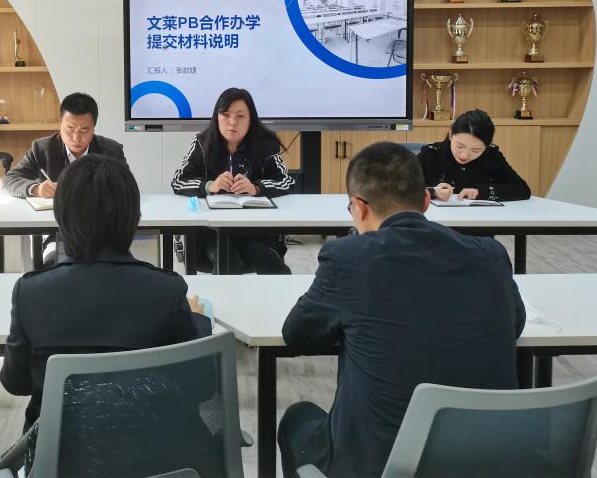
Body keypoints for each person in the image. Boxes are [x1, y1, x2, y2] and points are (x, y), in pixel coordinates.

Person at [278, 141, 525, 478]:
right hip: (490, 463)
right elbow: (515, 324)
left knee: (298, 418)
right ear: (425, 201)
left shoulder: (348, 258)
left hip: (385, 466)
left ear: (358, 207)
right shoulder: (489, 254)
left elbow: (298, 335)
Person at [0, 154, 214, 473]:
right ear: (134, 218)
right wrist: (198, 320)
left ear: (61, 215)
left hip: (60, 462)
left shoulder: (31, 292)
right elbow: (201, 386)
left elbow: (15, 383)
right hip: (156, 463)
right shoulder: (165, 291)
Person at [171, 87, 295, 274]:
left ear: (251, 119)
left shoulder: (266, 144)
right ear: (217, 117)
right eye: (225, 115)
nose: (232, 122)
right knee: (228, 261)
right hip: (211, 232)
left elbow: (286, 181)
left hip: (256, 232)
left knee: (270, 262)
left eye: (240, 116)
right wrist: (209, 186)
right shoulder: (201, 143)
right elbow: (179, 180)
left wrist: (256, 188)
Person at [1, 92, 128, 264]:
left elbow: (126, 189)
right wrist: (36, 189)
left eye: (84, 130)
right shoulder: (42, 149)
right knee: (54, 263)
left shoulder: (111, 151)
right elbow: (8, 180)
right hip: (56, 230)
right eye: (70, 129)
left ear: (94, 127)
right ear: (60, 124)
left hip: (100, 229)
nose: (76, 138)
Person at [418, 108, 531, 202]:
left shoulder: (492, 155)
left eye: (475, 150)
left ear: (486, 147)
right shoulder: (431, 154)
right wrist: (434, 192)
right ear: (451, 134)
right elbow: (407, 188)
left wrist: (481, 192)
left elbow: (522, 189)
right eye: (460, 146)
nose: (464, 155)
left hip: (482, 219)